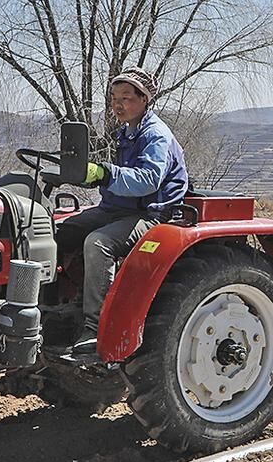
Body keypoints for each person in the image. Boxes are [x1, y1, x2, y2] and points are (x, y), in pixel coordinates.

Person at [57, 67, 189, 357]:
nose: (118, 104)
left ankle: (95, 327)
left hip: (151, 214)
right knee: (60, 232)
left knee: (98, 242)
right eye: (115, 98)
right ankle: (58, 308)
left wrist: (103, 173)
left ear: (145, 99)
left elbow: (147, 180)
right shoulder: (126, 132)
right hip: (115, 209)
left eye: (127, 98)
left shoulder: (156, 135)